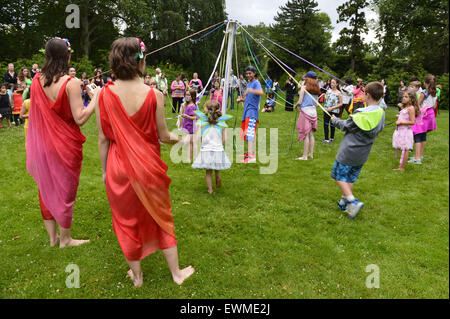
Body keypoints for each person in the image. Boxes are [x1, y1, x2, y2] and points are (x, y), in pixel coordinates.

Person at [95, 37, 194, 287]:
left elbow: (103, 139)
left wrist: (105, 172)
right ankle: (176, 274)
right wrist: (183, 140)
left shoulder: (104, 94)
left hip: (118, 168)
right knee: (161, 216)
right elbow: (163, 136)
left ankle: (137, 277)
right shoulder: (155, 94)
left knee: (126, 221)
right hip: (148, 167)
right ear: (139, 60)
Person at [26, 37, 100, 248]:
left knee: (45, 187)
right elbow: (80, 117)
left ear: (47, 57)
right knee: (65, 189)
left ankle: (53, 238)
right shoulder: (71, 83)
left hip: (42, 144)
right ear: (67, 57)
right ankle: (65, 239)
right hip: (64, 145)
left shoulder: (36, 81)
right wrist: (96, 97)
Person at [330, 82, 385, 219]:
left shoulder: (360, 114)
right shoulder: (381, 113)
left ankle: (352, 201)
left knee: (338, 176)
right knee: (349, 177)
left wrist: (335, 120)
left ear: (367, 95)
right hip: (362, 154)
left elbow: (345, 125)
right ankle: (344, 203)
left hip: (348, 152)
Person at [192, 99, 231, 193]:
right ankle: (217, 176)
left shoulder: (201, 122)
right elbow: (225, 139)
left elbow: (198, 137)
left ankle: (210, 190)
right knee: (217, 165)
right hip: (218, 148)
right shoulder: (222, 124)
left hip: (206, 149)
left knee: (208, 172)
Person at [409, 75, 437, 165]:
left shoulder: (424, 92)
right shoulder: (435, 92)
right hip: (430, 114)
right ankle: (420, 156)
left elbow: (418, 104)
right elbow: (434, 106)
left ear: (425, 83)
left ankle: (417, 159)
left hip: (423, 115)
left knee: (417, 135)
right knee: (423, 136)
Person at [238, 66, 264, 163]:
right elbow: (248, 97)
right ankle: (250, 153)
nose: (248, 75)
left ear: (254, 73)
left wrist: (250, 90)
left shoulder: (256, 83)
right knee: (248, 132)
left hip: (252, 112)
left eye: (250, 73)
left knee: (250, 133)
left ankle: (251, 156)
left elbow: (261, 92)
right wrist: (241, 99)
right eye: (247, 73)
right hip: (247, 111)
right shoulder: (249, 84)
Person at [294, 71, 320, 160]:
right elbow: (316, 104)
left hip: (305, 113)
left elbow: (300, 101)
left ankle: (305, 156)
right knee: (311, 134)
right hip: (313, 113)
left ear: (308, 79)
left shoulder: (303, 88)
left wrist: (296, 105)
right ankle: (311, 154)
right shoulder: (316, 90)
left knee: (305, 135)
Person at [392, 90, 419, 171]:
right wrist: (399, 116)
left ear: (412, 99)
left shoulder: (411, 108)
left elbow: (412, 121)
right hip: (400, 131)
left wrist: (400, 122)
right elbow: (405, 116)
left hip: (406, 132)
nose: (403, 98)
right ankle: (401, 166)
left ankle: (402, 167)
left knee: (405, 149)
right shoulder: (405, 107)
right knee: (402, 148)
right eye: (403, 96)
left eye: (406, 97)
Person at [322, 78, 343, 143]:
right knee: (325, 124)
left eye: (333, 83)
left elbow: (341, 103)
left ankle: (331, 138)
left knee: (332, 124)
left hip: (334, 111)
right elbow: (327, 100)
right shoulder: (328, 91)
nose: (332, 84)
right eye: (331, 83)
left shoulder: (339, 93)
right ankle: (326, 139)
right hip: (327, 110)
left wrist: (332, 108)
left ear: (337, 84)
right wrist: (324, 96)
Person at [180, 89, 197, 162]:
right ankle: (189, 158)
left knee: (190, 143)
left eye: (189, 95)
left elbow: (195, 117)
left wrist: (187, 116)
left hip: (190, 127)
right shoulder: (186, 105)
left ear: (193, 97)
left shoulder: (192, 106)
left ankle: (193, 158)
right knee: (190, 143)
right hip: (186, 126)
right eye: (186, 95)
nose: (187, 96)